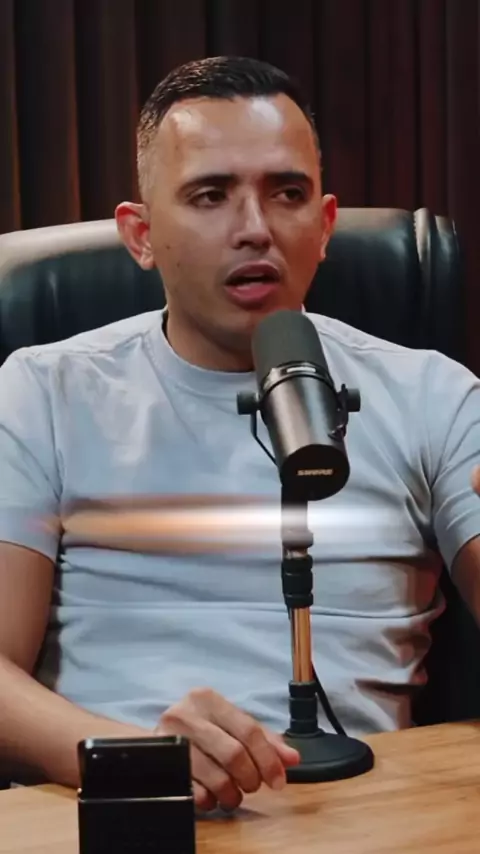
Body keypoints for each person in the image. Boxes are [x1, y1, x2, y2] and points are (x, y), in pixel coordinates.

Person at [0, 55, 479, 813]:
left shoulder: (434, 395)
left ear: (325, 225)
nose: (255, 229)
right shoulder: (42, 391)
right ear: (141, 234)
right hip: (123, 808)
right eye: (210, 195)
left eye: (287, 193)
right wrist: (140, 763)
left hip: (364, 813)